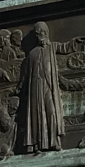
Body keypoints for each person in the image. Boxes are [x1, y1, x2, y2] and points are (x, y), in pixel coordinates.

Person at [17, 21, 65, 153]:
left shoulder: (52, 47)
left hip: (48, 86)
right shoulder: (32, 54)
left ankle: (54, 141)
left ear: (46, 33)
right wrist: (19, 88)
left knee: (51, 112)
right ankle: (37, 145)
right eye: (37, 34)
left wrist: (80, 42)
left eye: (41, 33)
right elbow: (25, 75)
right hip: (35, 87)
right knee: (36, 115)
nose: (39, 36)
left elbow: (66, 47)